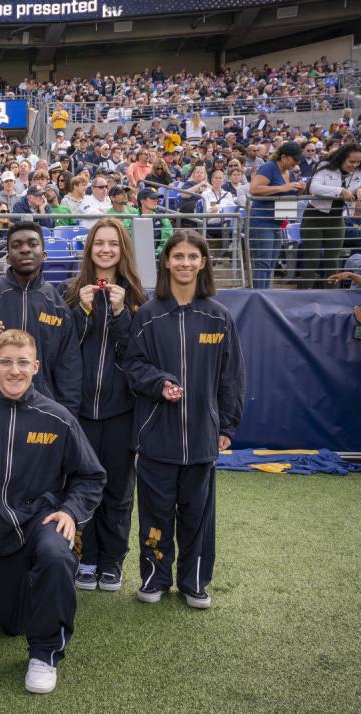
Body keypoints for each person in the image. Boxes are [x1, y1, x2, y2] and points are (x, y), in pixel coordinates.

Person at [0, 329, 105, 694]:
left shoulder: (58, 417)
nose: (15, 370)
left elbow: (91, 476)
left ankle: (45, 655)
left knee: (57, 555)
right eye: (7, 362)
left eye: (23, 362)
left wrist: (70, 511)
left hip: (44, 520)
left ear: (36, 367)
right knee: (12, 623)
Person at [124, 230, 245, 609]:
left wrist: (226, 425)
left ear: (203, 262)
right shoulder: (148, 314)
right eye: (178, 256)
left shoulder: (219, 317)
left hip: (202, 440)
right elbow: (132, 366)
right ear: (166, 261)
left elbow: (231, 377)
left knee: (198, 518)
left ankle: (194, 583)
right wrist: (159, 383)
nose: (185, 263)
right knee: (156, 516)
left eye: (193, 256)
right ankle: (154, 578)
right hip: (156, 438)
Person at [58, 218, 147, 591]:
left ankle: (112, 560)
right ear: (89, 249)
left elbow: (137, 356)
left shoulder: (138, 298)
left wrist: (122, 313)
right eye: (99, 243)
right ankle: (86, 557)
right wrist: (81, 312)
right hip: (79, 412)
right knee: (80, 486)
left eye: (113, 243)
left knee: (118, 490)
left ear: (122, 250)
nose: (106, 250)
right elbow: (62, 350)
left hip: (121, 411)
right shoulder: (69, 294)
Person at [0, 221, 82, 414]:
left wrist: (66, 418)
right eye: (16, 245)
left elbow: (70, 373)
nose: (25, 250)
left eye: (32, 244)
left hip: (41, 416)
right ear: (7, 257)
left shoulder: (59, 308)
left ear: (44, 254)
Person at [301, 143, 361, 288]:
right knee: (312, 259)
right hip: (314, 218)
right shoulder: (325, 166)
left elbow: (355, 188)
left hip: (337, 219)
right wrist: (340, 191)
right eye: (351, 161)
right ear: (342, 158)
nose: (354, 165)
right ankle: (304, 293)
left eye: (358, 162)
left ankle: (331, 294)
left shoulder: (358, 172)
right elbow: (314, 187)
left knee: (333, 260)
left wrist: (359, 189)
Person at [249, 142, 306, 288]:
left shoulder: (289, 172)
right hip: (262, 221)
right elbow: (254, 189)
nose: (297, 163)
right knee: (263, 263)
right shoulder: (269, 167)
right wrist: (282, 187)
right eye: (295, 159)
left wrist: (299, 189)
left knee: (271, 264)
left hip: (278, 223)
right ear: (284, 157)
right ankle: (260, 296)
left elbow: (287, 193)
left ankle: (266, 295)